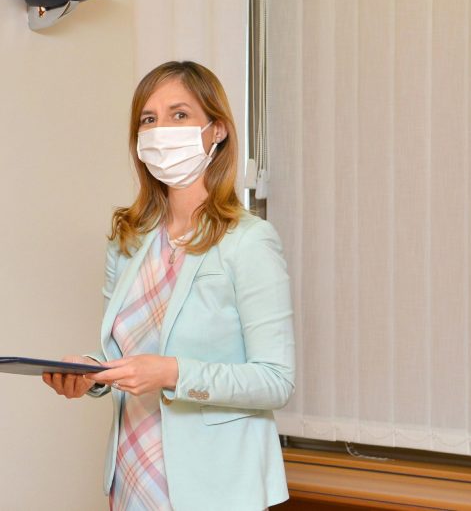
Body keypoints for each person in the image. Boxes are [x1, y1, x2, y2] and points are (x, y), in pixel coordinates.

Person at [42, 61, 295, 510]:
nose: (161, 130)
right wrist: (90, 373)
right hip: (132, 475)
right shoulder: (128, 239)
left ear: (217, 129)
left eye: (179, 114)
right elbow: (122, 357)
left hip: (215, 487)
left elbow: (275, 380)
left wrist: (172, 373)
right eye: (149, 119)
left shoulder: (249, 241)